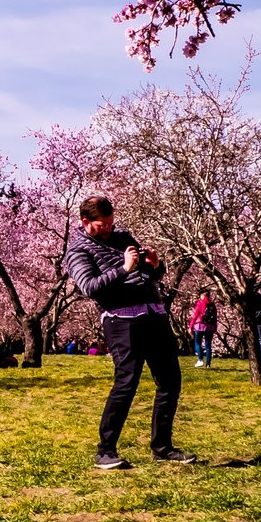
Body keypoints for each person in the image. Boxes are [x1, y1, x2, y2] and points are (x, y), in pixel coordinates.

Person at [64, 196, 195, 469]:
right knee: (127, 383)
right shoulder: (78, 252)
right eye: (104, 225)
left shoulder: (124, 237)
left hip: (154, 315)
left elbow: (147, 275)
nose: (110, 228)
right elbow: (89, 287)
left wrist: (156, 265)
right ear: (86, 222)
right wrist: (124, 268)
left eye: (112, 222)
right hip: (122, 321)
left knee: (170, 381)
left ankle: (163, 447)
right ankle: (105, 451)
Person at [188, 291, 214, 368]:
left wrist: (190, 327)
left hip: (199, 326)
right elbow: (215, 317)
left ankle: (200, 360)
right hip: (209, 327)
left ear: (203, 295)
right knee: (208, 345)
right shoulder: (212, 305)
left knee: (197, 343)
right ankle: (208, 364)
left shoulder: (200, 303)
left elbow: (195, 316)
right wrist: (214, 327)